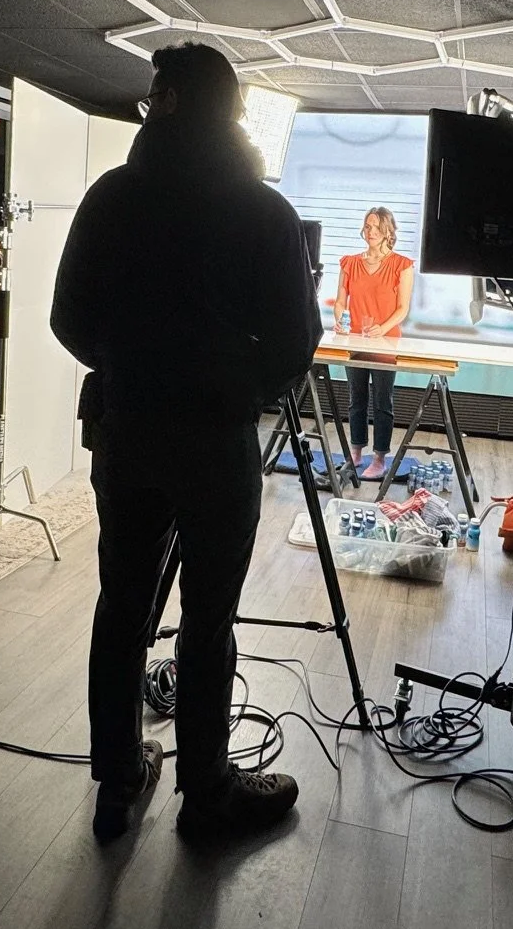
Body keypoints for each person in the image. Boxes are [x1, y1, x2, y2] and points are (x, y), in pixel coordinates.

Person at [52, 43, 321, 843]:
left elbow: (69, 320)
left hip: (127, 431)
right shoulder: (264, 211)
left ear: (167, 103)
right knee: (210, 622)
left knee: (122, 609)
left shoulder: (110, 198)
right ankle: (206, 795)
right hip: (215, 444)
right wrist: (235, 388)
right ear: (233, 115)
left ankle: (117, 782)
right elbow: (296, 341)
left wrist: (134, 366)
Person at [331, 207, 415, 479]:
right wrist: (340, 320)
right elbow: (341, 299)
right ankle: (355, 453)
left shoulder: (401, 265)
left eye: (377, 228)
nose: (371, 232)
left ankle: (379, 457)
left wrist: (383, 329)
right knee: (356, 398)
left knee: (382, 401)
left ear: (389, 231)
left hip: (386, 343)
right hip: (356, 340)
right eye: (367, 226)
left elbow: (403, 308)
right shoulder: (350, 263)